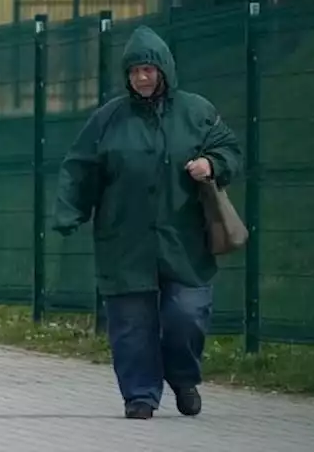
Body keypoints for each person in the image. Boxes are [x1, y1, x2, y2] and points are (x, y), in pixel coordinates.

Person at [54, 25, 242, 420]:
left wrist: (212, 163)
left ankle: (183, 376)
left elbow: (228, 147)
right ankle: (140, 394)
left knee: (187, 314)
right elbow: (80, 167)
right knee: (130, 322)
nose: (142, 77)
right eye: (135, 70)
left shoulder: (197, 111)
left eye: (149, 70)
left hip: (185, 237)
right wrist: (69, 210)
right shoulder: (108, 119)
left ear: (164, 72)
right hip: (124, 239)